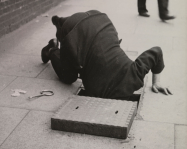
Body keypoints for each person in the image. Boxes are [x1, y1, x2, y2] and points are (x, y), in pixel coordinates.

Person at [41, 10, 172, 99]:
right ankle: (52, 49)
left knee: (94, 39)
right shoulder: (96, 91)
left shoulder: (134, 73)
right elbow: (80, 69)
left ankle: (62, 23)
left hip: (99, 18)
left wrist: (157, 82)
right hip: (74, 31)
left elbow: (156, 52)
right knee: (69, 77)